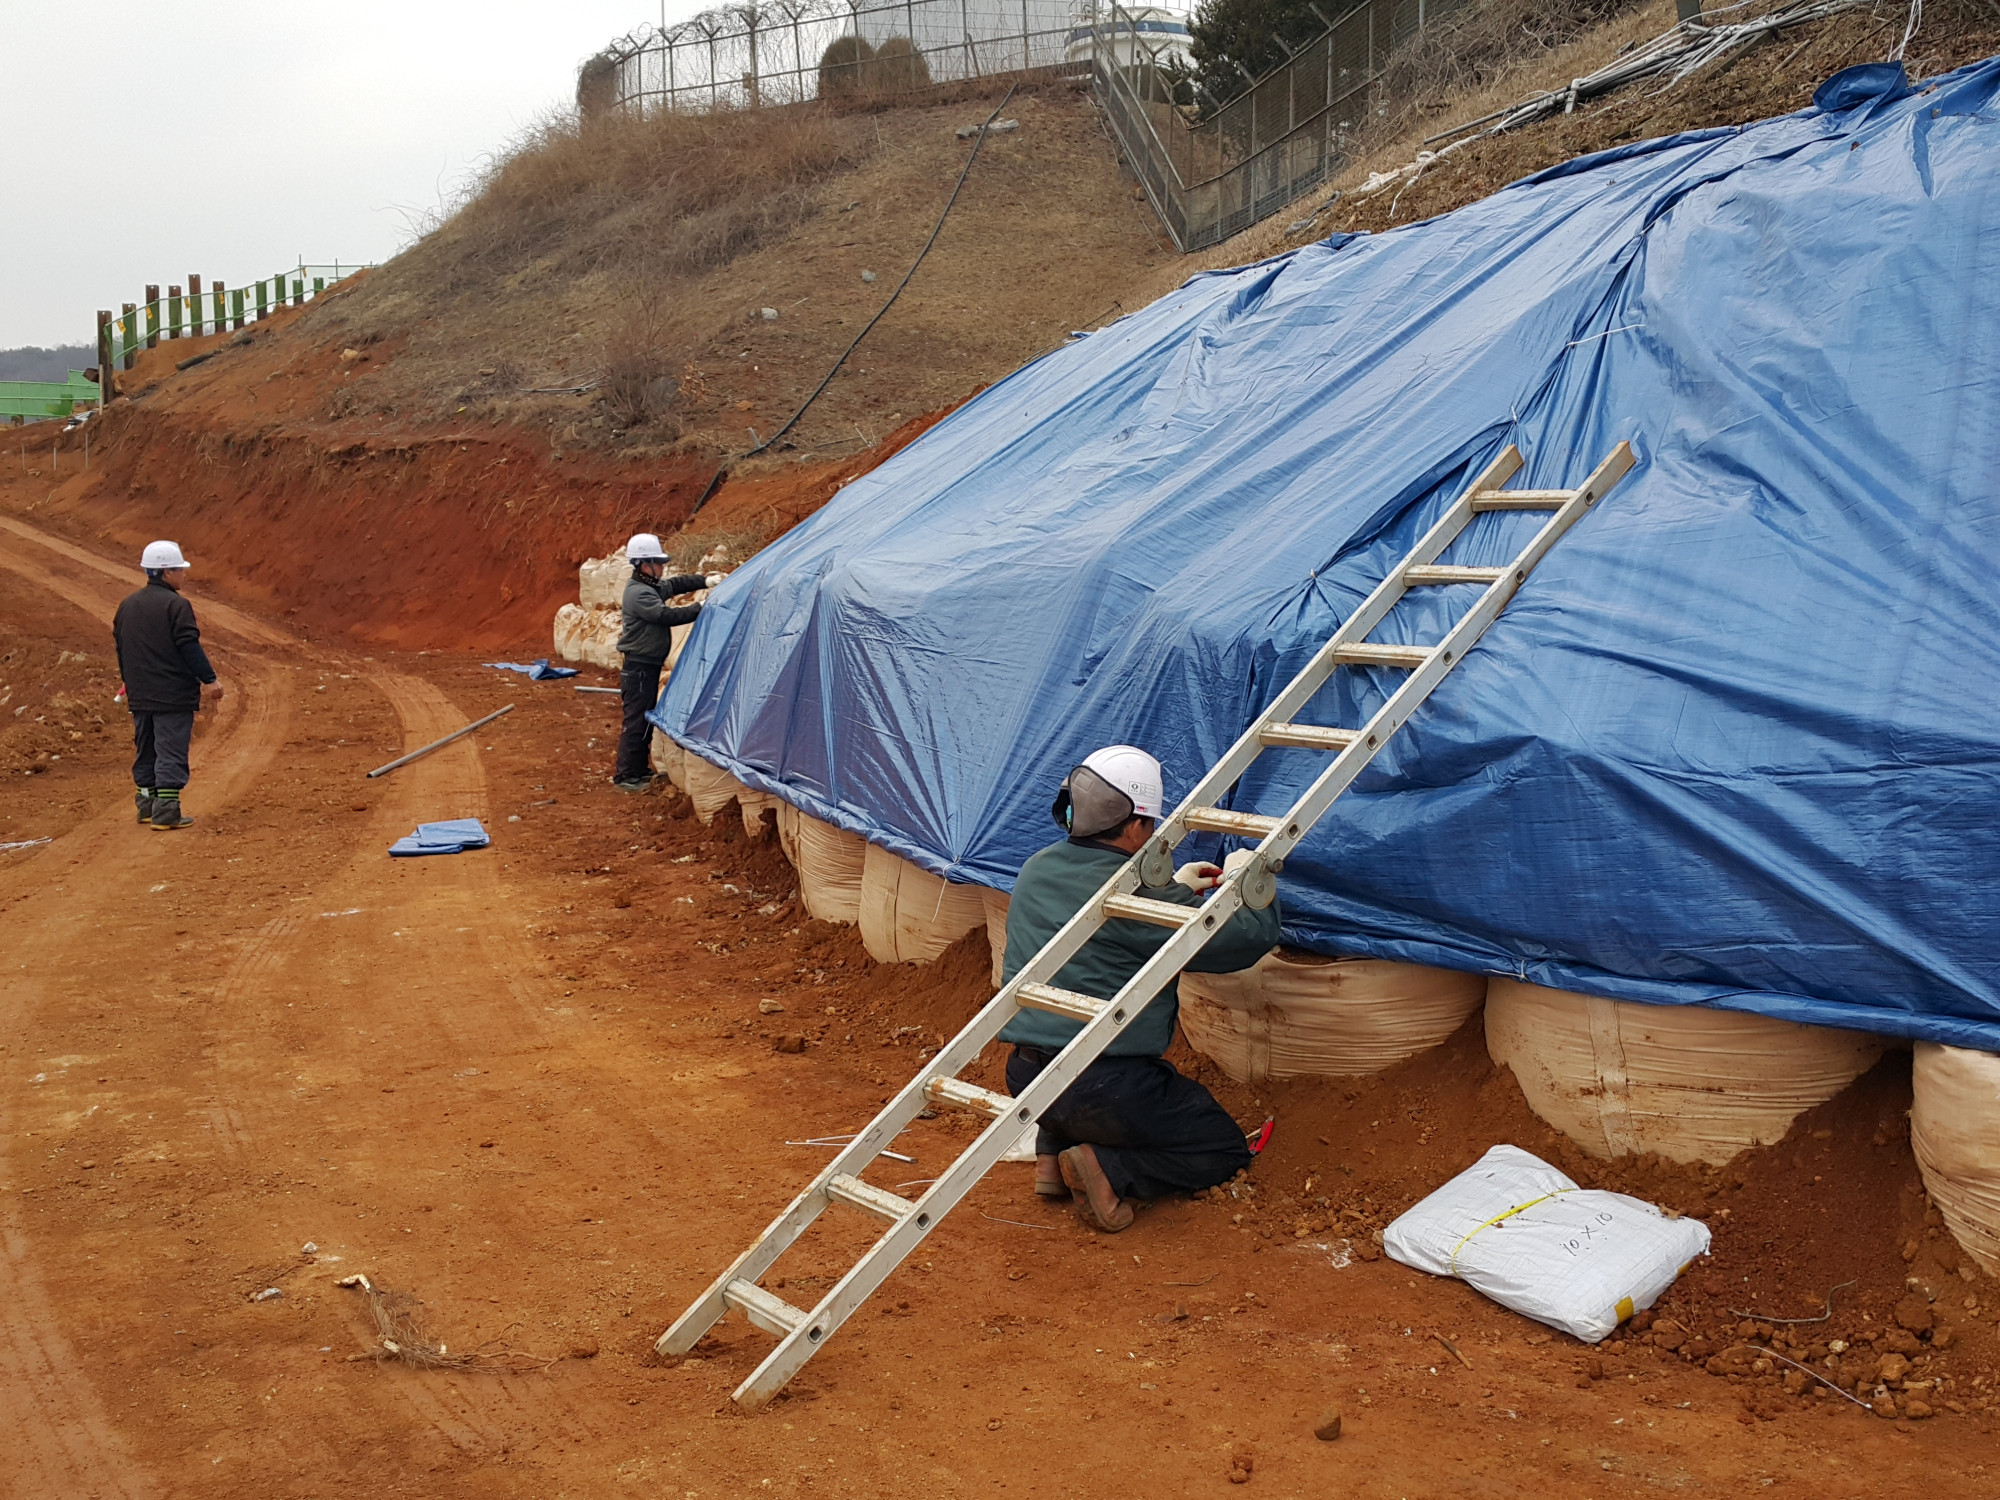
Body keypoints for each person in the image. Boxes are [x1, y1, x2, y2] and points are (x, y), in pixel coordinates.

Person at [998, 744, 1280, 1232]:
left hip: (1026, 1079)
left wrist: (1177, 888)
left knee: (1060, 1055)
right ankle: (1111, 1169)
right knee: (1221, 1148)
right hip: (1105, 1087)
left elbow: (1114, 915)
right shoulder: (1130, 898)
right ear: (1134, 827)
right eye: (1150, 827)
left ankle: (1052, 1154)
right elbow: (1242, 943)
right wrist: (1247, 885)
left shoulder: (1036, 867)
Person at [112, 540, 223, 830]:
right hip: (172, 695)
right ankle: (167, 812)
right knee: (170, 750)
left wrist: (130, 681)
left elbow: (122, 647)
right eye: (179, 570)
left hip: (140, 694)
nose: (183, 575)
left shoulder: (127, 605)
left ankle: (146, 806)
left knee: (146, 749)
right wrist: (210, 680)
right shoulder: (177, 605)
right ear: (165, 572)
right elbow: (189, 646)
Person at [612, 533, 719, 791]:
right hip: (639, 668)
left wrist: (705, 580)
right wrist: (701, 607)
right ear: (645, 564)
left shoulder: (649, 586)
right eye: (659, 563)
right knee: (636, 721)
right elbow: (664, 615)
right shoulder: (639, 594)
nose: (663, 567)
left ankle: (638, 771)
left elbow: (676, 585)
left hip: (645, 666)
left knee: (642, 720)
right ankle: (627, 776)